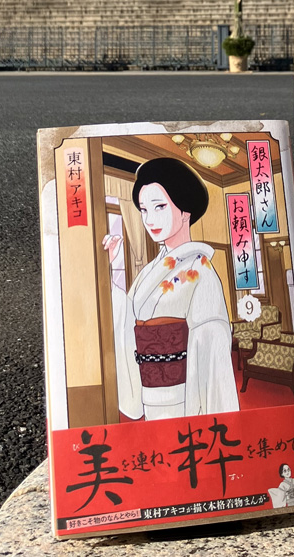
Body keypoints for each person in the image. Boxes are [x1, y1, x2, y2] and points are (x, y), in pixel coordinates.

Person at [103, 157, 239, 421]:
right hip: (150, 393)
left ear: (185, 211)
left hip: (183, 397)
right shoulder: (150, 271)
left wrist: (216, 419)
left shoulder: (200, 270)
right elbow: (128, 317)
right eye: (144, 210)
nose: (149, 219)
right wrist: (106, 275)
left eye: (160, 206)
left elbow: (212, 352)